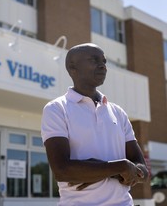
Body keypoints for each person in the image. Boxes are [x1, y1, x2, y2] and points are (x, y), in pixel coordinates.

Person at [41, 43, 149, 206]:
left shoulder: (118, 112)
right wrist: (119, 167)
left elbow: (143, 171)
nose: (103, 67)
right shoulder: (57, 109)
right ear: (72, 67)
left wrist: (95, 169)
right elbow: (62, 171)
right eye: (94, 60)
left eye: (104, 61)